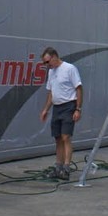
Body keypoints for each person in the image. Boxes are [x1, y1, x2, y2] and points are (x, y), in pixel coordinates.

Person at [39, 46, 83, 181]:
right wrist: (46, 109)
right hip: (57, 107)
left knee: (66, 137)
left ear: (54, 57)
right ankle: (58, 167)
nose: (47, 65)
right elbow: (51, 92)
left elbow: (79, 88)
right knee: (57, 138)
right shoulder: (51, 72)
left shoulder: (69, 69)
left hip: (69, 106)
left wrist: (78, 109)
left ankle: (66, 168)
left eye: (47, 62)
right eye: (45, 63)